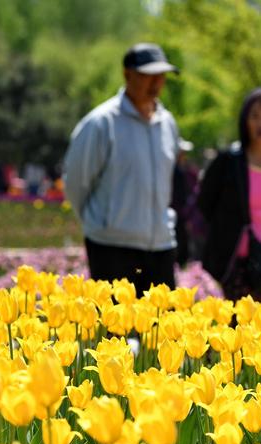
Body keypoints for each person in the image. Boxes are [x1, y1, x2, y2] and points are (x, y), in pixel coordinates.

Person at [63, 42, 181, 291]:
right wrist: (103, 223)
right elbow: (76, 183)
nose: (156, 83)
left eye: (161, 76)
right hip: (112, 247)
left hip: (160, 244)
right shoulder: (101, 123)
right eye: (148, 75)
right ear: (127, 74)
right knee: (115, 329)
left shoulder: (167, 123)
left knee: (161, 329)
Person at [197, 88, 261, 304]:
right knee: (238, 328)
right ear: (245, 121)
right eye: (255, 116)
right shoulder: (229, 161)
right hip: (235, 258)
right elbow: (205, 202)